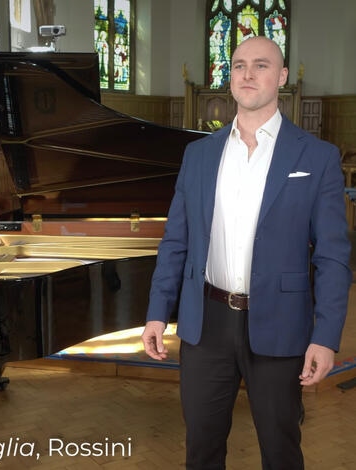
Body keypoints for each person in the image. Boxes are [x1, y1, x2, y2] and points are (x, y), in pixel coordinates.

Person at [141, 36, 351, 469]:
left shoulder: (318, 156)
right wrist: (158, 312)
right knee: (201, 451)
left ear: (282, 76)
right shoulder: (198, 154)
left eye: (261, 65)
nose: (248, 74)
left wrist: (326, 336)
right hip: (206, 324)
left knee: (281, 451)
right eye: (239, 65)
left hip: (280, 323)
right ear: (230, 76)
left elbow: (332, 256)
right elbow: (176, 241)